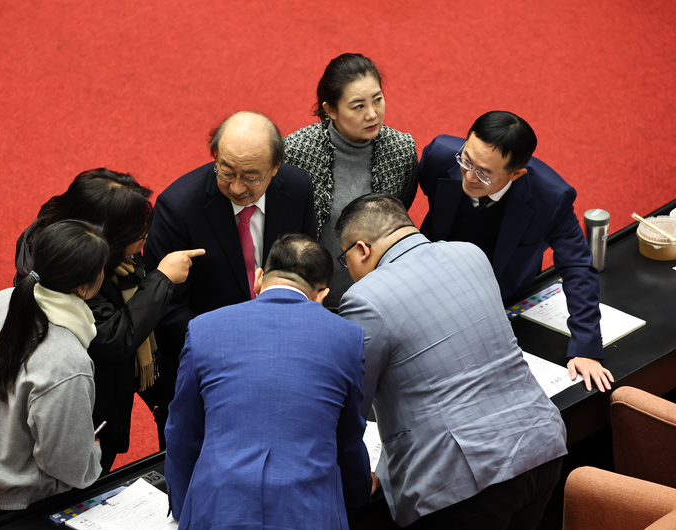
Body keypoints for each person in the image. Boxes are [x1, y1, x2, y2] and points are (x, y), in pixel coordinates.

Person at [336, 194, 567, 530]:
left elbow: (351, 408)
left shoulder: (364, 298)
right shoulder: (470, 254)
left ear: (361, 249)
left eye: (346, 260)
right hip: (541, 445)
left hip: (463, 480)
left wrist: (355, 480)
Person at [165, 233, 373, 530]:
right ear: (322, 294)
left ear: (259, 278)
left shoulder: (204, 328)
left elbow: (182, 435)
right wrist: (358, 496)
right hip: (309, 515)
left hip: (218, 512)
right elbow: (348, 438)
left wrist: (188, 509)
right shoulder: (347, 338)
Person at [14, 169, 203, 470]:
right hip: (89, 420)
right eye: (138, 232)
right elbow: (115, 338)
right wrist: (163, 279)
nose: (145, 236)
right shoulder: (75, 278)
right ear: (107, 239)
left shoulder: (90, 250)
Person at [143, 111, 316, 434]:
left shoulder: (297, 187)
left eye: (251, 176)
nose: (237, 187)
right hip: (210, 366)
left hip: (283, 353)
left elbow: (305, 264)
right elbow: (166, 307)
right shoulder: (178, 208)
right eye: (226, 171)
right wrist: (236, 349)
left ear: (275, 168)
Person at [418, 110, 614, 392]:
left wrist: (586, 345)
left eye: (484, 173)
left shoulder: (550, 198)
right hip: (431, 281)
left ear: (517, 173)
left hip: (501, 294)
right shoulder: (439, 156)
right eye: (467, 161)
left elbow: (578, 267)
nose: (470, 177)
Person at [0, 220, 107, 527]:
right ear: (83, 287)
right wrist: (92, 455)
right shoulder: (68, 361)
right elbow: (66, 464)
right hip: (20, 508)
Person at [284, 53, 419, 309]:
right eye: (358, 106)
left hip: (379, 298)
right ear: (330, 110)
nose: (372, 114)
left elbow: (400, 213)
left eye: (377, 100)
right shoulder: (297, 151)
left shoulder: (400, 150)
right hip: (314, 297)